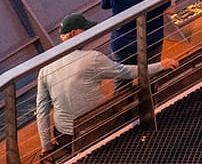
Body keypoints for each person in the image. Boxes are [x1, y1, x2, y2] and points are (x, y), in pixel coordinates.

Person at [36, 14, 139, 151]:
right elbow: (125, 72)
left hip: (66, 137)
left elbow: (42, 110)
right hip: (99, 128)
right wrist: (160, 66)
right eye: (85, 30)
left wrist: (46, 146)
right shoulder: (92, 58)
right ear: (74, 33)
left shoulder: (45, 69)